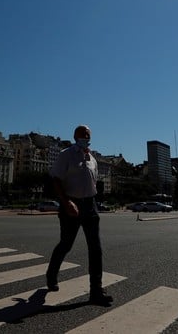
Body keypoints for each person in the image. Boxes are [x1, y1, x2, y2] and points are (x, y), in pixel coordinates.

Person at [46, 125, 112, 306]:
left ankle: (96, 291)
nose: (85, 137)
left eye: (88, 134)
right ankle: (52, 275)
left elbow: (92, 182)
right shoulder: (66, 154)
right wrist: (66, 202)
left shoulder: (92, 158)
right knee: (66, 244)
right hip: (71, 204)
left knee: (96, 248)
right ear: (75, 136)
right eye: (82, 134)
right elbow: (56, 179)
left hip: (90, 206)